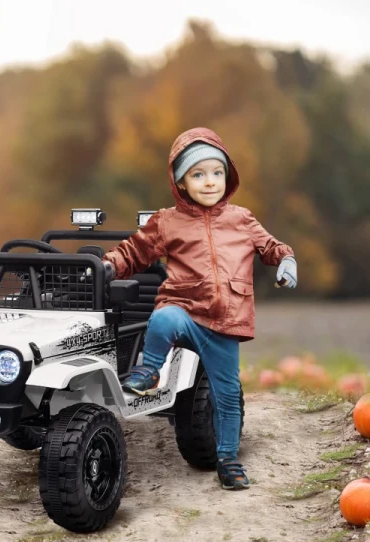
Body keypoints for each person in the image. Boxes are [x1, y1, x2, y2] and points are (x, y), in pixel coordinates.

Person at [102, 127, 297, 491]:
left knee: (226, 396)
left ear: (228, 175)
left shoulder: (242, 219)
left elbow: (272, 247)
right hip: (186, 310)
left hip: (225, 323)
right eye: (198, 174)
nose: (210, 182)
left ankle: (227, 459)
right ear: (181, 182)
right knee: (162, 318)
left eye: (217, 173)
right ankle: (150, 370)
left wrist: (286, 260)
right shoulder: (167, 221)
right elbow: (134, 251)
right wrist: (109, 265)